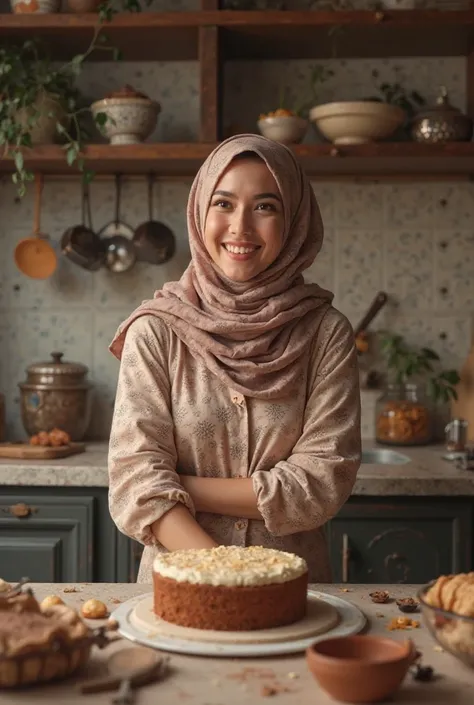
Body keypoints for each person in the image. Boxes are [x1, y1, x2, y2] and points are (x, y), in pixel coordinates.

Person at [108, 133, 361, 584]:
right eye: (223, 204)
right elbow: (135, 481)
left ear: (295, 221)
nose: (240, 228)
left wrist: (182, 488)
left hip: (297, 594)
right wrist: (231, 575)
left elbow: (322, 483)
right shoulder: (156, 330)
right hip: (179, 592)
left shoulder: (326, 333)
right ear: (199, 210)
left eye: (265, 207)